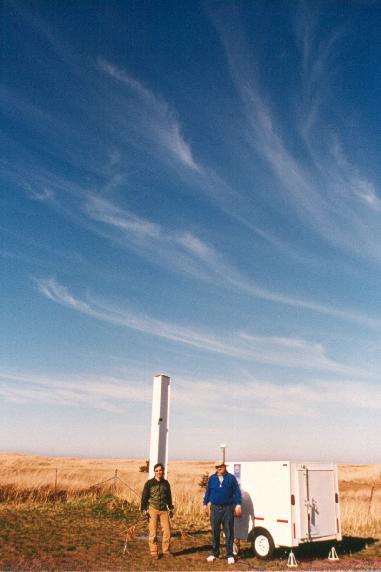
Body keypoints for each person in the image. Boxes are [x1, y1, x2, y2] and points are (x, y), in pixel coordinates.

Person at [203, 461, 242, 564]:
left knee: (229, 532)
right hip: (215, 509)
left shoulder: (231, 478)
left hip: (228, 509)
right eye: (217, 467)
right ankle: (215, 554)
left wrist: (238, 504)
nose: (219, 468)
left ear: (225, 467)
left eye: (221, 466)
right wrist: (205, 504)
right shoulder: (212, 478)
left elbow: (237, 492)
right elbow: (208, 492)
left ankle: (230, 555)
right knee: (215, 532)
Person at [140, 462, 174, 559]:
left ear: (163, 471)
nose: (158, 472)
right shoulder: (149, 483)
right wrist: (143, 509)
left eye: (160, 470)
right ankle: (154, 552)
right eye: (156, 471)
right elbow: (144, 497)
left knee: (167, 531)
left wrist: (170, 508)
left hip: (164, 510)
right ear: (154, 472)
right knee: (153, 532)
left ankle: (166, 551)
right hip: (152, 510)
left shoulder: (166, 483)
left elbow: (169, 497)